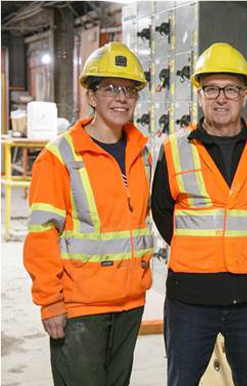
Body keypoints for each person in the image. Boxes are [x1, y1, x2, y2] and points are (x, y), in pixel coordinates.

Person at [151, 42, 247, 386]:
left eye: (231, 89)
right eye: (212, 88)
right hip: (190, 300)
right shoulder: (174, 149)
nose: (221, 97)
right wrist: (200, 251)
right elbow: (163, 213)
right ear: (200, 93)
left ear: (244, 95)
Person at [23, 42, 153, 386]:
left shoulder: (143, 154)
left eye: (129, 90)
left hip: (130, 304)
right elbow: (41, 235)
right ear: (91, 96)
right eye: (110, 88)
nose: (121, 97)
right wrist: (50, 302)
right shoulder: (59, 156)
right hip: (81, 309)